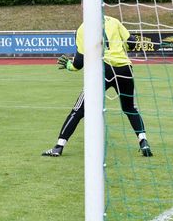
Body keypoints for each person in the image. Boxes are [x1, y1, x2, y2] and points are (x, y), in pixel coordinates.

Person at [43, 15, 153, 157]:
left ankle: (59, 146)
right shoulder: (114, 21)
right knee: (130, 108)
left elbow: (79, 63)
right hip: (125, 69)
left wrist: (69, 66)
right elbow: (131, 42)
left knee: (78, 110)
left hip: (103, 70)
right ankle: (143, 141)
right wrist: (123, 45)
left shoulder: (83, 28)